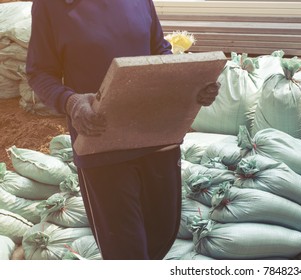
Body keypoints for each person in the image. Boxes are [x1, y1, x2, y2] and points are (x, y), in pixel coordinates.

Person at [26, 0, 220, 260]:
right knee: (126, 252)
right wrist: (70, 102)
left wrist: (191, 84)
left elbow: (159, 51)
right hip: (102, 148)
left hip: (157, 140)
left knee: (162, 234)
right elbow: (39, 72)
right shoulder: (52, 5)